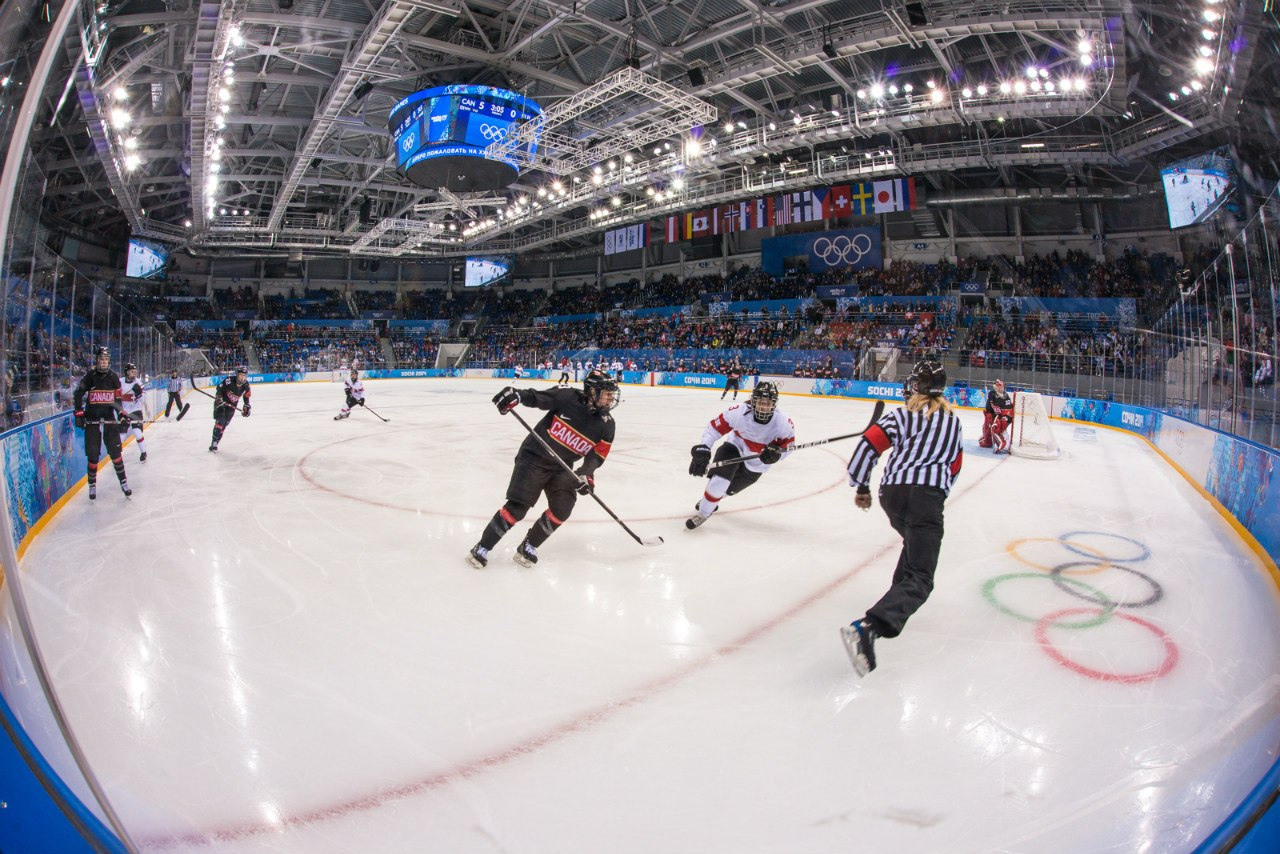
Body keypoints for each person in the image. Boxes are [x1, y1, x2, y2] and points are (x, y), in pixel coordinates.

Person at [839, 359, 964, 677]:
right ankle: (870, 626)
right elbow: (954, 467)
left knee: (913, 548)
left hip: (891, 497)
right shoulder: (953, 423)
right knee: (921, 576)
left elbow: (867, 447)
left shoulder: (900, 416)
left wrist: (862, 486)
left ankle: (894, 602)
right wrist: (937, 495)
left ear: (914, 386)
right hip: (926, 499)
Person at [466, 369, 619, 569]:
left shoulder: (607, 425)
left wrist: (586, 473)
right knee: (518, 507)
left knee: (562, 508)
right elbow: (538, 398)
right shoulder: (567, 396)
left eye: (612, 394)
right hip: (534, 457)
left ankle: (528, 545)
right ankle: (482, 547)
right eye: (606, 393)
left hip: (562, 467)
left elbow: (597, 455)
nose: (610, 398)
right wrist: (517, 395)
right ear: (592, 391)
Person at [686, 381, 794, 529]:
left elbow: (788, 447)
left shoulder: (783, 423)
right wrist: (704, 447)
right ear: (753, 401)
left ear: (774, 404)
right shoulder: (738, 412)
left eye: (768, 403)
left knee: (728, 490)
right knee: (719, 482)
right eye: (760, 402)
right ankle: (704, 513)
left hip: (758, 464)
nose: (763, 407)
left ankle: (710, 501)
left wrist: (776, 455)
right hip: (734, 448)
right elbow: (713, 429)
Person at [72, 346, 131, 500]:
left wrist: (121, 414)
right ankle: (92, 485)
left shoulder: (113, 378)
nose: (103, 362)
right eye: (101, 359)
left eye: (106, 360)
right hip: (92, 419)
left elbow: (117, 401)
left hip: (109, 419)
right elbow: (78, 394)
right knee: (93, 455)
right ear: (97, 360)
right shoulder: (90, 376)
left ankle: (124, 482)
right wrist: (79, 413)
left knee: (116, 453)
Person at [209, 367, 252, 452]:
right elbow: (219, 388)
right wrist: (219, 397)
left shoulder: (246, 385)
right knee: (220, 421)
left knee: (224, 425)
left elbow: (246, 396)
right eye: (241, 375)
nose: (242, 377)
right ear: (237, 375)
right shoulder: (229, 380)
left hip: (232, 406)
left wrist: (246, 405)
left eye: (244, 375)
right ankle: (214, 442)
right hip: (221, 403)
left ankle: (216, 442)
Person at [120, 362, 148, 462]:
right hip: (124, 412)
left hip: (136, 410)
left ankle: (143, 452)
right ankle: (117, 455)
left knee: (137, 432)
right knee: (121, 435)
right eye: (132, 372)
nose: (134, 373)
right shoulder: (120, 382)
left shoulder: (138, 382)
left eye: (135, 371)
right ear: (127, 372)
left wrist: (139, 394)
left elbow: (143, 400)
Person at [978, 378, 1014, 453]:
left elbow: (1008, 411)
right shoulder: (992, 394)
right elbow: (990, 406)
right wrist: (989, 413)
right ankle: (988, 441)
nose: (1001, 388)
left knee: (996, 428)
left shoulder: (1006, 397)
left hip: (1003, 416)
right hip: (994, 414)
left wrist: (1005, 418)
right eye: (999, 386)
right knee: (987, 427)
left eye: (1001, 386)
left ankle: (1004, 444)